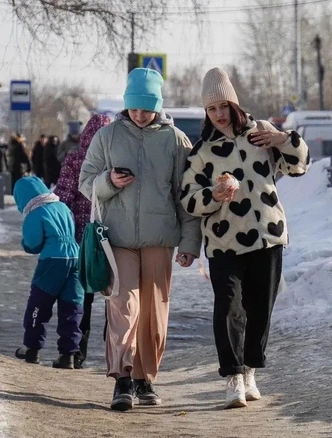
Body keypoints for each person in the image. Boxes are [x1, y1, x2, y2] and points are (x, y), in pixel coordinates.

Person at [180, 67, 310, 409]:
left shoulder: (262, 133)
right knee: (228, 308)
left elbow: (300, 165)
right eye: (212, 109)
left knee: (260, 309)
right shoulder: (202, 152)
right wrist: (214, 195)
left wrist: (283, 139)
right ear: (206, 113)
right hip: (225, 243)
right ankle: (233, 377)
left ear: (234, 105)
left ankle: (250, 370)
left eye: (223, 106)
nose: (219, 114)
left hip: (268, 236)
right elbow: (188, 200)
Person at [79, 68, 201, 411]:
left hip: (160, 239)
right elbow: (86, 183)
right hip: (117, 238)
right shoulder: (107, 136)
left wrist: (190, 242)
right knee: (124, 305)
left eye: (146, 110)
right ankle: (122, 378)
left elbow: (186, 196)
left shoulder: (176, 141)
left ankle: (145, 379)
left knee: (153, 312)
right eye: (134, 109)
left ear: (157, 107)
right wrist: (109, 181)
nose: (139, 115)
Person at [54, 113, 111, 369]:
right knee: (116, 299)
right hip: (113, 239)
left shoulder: (76, 159)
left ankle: (76, 353)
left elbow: (63, 197)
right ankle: (115, 355)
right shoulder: (116, 160)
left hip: (81, 240)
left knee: (81, 299)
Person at [12, 176, 84, 369]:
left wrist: (26, 244)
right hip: (75, 258)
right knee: (72, 305)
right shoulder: (62, 207)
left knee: (39, 303)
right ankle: (67, 355)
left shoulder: (36, 213)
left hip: (52, 260)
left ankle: (32, 349)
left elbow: (32, 243)